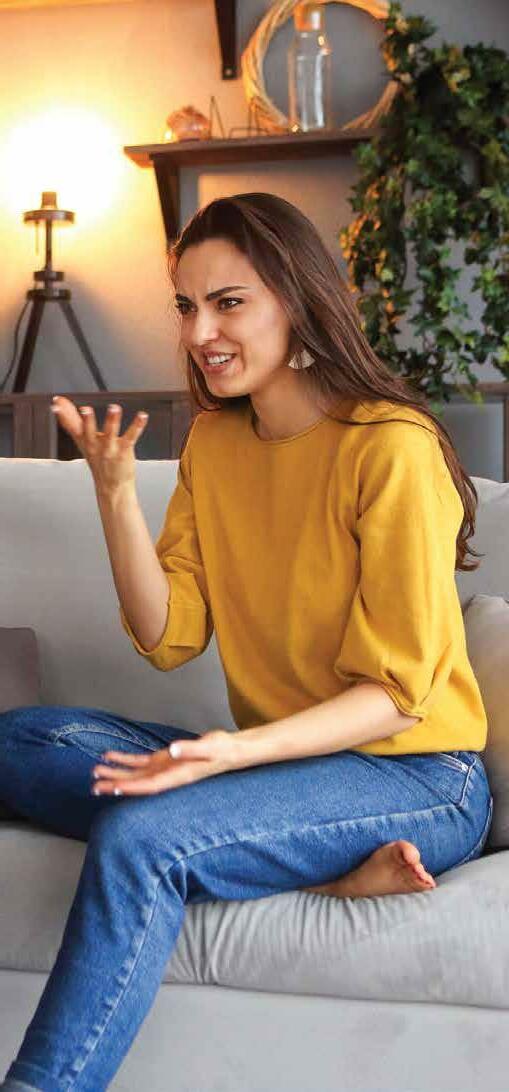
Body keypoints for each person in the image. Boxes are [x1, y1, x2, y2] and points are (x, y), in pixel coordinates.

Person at [0, 192, 493, 1091]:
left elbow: (396, 695)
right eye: (186, 306)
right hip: (280, 771)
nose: (200, 333)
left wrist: (226, 755)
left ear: (296, 301)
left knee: (142, 835)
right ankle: (300, 863)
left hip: (415, 777)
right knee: (22, 739)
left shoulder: (390, 447)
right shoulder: (215, 445)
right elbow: (169, 637)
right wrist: (114, 495)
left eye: (229, 303)